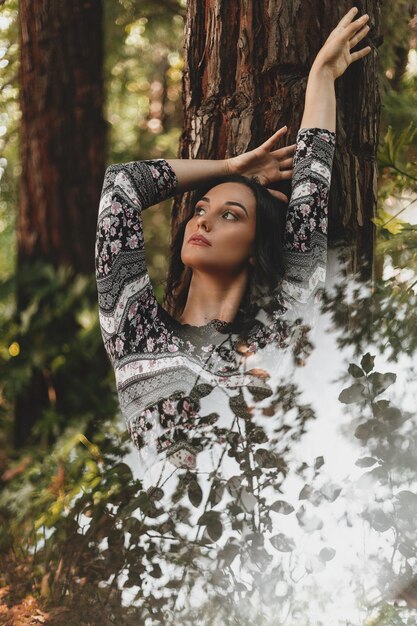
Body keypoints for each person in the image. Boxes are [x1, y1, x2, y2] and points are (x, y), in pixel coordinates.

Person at [95, 8, 371, 469]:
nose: (202, 221)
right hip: (161, 536)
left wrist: (321, 76)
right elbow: (120, 187)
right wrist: (230, 168)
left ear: (254, 248)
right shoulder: (136, 331)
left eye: (230, 215)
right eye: (201, 210)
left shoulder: (279, 332)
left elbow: (311, 192)